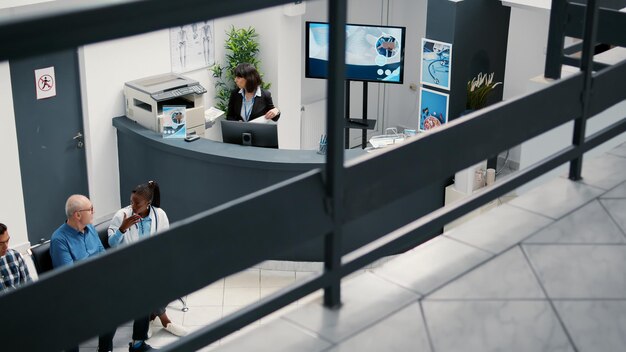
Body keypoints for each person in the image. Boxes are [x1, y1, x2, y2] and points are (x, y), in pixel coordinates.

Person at [50, 194, 155, 352]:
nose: (94, 211)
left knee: (143, 290)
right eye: (90, 209)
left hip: (99, 281)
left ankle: (138, 344)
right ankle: (105, 349)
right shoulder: (59, 239)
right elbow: (70, 276)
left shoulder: (90, 229)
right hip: (78, 291)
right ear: (78, 214)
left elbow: (102, 254)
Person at [108, 181, 187, 338]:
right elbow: (111, 244)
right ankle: (164, 320)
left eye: (137, 203)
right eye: (131, 201)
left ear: (148, 203)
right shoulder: (122, 215)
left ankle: (150, 318)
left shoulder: (159, 215)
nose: (133, 206)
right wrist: (122, 229)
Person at [0, 223, 32, 293]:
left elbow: (29, 286)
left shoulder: (15, 255)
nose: (6, 247)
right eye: (1, 244)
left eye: (7, 241)